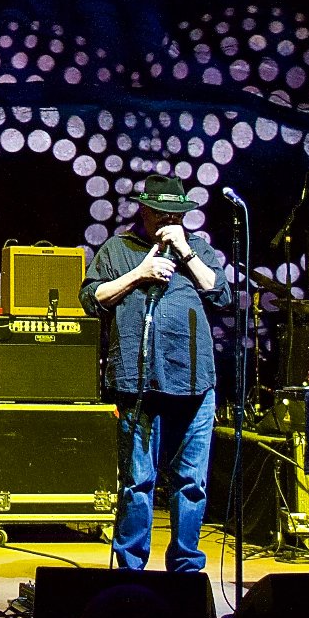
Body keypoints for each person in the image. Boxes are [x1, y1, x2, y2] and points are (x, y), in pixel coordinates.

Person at [80, 174, 234, 572]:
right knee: (137, 482)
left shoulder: (197, 247)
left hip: (193, 379)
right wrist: (139, 273)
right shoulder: (119, 248)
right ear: (144, 211)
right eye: (161, 212)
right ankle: (131, 572)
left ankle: (186, 569)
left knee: (191, 481)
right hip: (137, 378)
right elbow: (91, 298)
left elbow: (221, 294)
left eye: (175, 214)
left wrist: (186, 251)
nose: (169, 219)